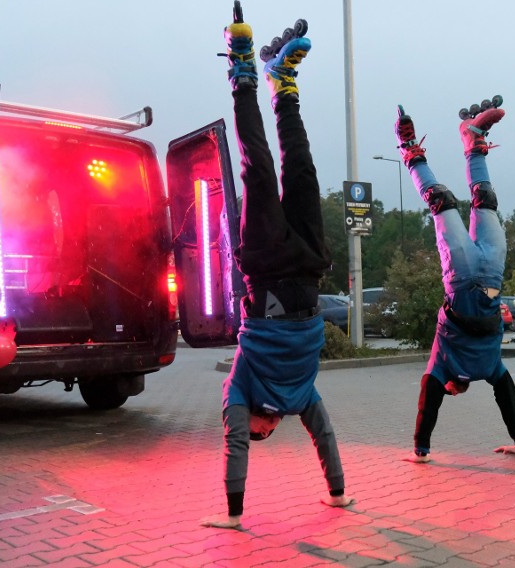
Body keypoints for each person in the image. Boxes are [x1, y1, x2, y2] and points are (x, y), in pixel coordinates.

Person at [200, 8, 353, 529]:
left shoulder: (241, 390)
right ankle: (282, 83)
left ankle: (243, 72)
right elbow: (325, 438)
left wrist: (234, 515)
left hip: (264, 268)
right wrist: (336, 494)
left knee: (259, 169)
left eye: (259, 431)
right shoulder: (301, 399)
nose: (261, 429)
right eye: (264, 432)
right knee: (302, 167)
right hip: (309, 267)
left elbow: (233, 440)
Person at [394, 101, 515, 461]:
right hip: (489, 272)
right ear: (455, 388)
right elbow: (435, 398)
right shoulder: (487, 369)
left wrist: (422, 450)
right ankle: (473, 140)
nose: (446, 390)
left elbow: (433, 396)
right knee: (482, 200)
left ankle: (409, 150)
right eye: (451, 390)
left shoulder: (445, 365)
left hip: (467, 276)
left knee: (443, 201)